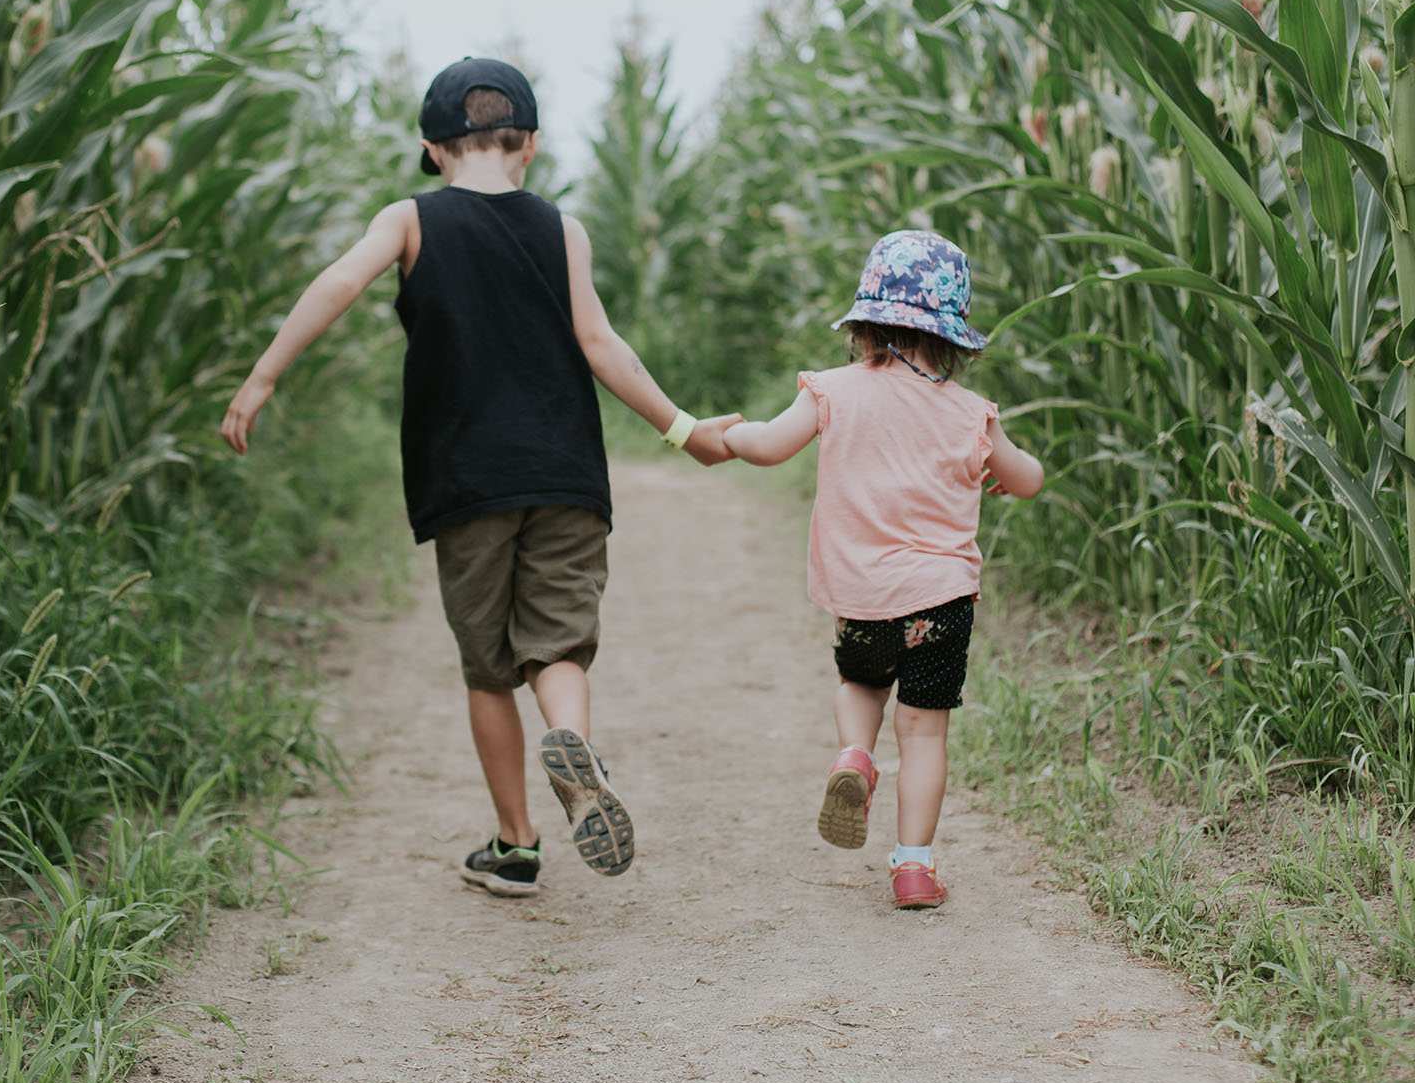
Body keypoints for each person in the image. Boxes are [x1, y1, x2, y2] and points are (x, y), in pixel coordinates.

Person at [220, 57, 739, 897]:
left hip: (466, 480)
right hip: (567, 475)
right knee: (559, 641)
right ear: (528, 144)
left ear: (433, 149)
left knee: (488, 667)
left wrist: (264, 374)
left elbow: (339, 281)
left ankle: (517, 844)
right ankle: (574, 745)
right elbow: (603, 345)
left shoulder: (410, 220)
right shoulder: (562, 229)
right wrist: (684, 430)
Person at [720, 230, 1043, 909]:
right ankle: (915, 868)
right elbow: (1029, 479)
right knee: (925, 729)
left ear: (865, 325)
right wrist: (1002, 472)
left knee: (860, 685)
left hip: (863, 595)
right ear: (951, 336)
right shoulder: (970, 413)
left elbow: (769, 447)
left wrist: (732, 433)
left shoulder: (831, 391)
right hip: (942, 602)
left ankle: (854, 758)